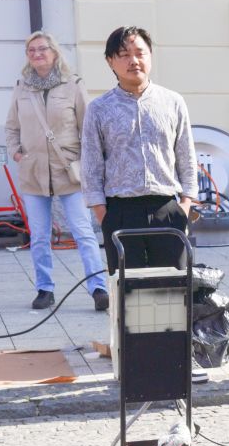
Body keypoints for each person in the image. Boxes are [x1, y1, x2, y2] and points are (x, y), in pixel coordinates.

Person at [81, 26, 196, 278]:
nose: (133, 60)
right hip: (120, 212)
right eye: (124, 54)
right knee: (129, 295)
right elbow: (91, 164)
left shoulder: (172, 102)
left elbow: (186, 156)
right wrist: (103, 214)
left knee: (173, 290)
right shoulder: (99, 109)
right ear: (111, 61)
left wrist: (185, 206)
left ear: (150, 56)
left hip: (166, 209)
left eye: (140, 53)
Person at [5, 32, 107, 312]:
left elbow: (89, 127)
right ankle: (44, 289)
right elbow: (12, 126)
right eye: (31, 51)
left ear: (54, 53)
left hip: (69, 171)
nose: (37, 54)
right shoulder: (21, 87)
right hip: (34, 171)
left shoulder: (73, 85)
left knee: (83, 232)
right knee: (38, 236)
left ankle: (98, 288)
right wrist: (16, 151)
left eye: (42, 49)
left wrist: (89, 163)